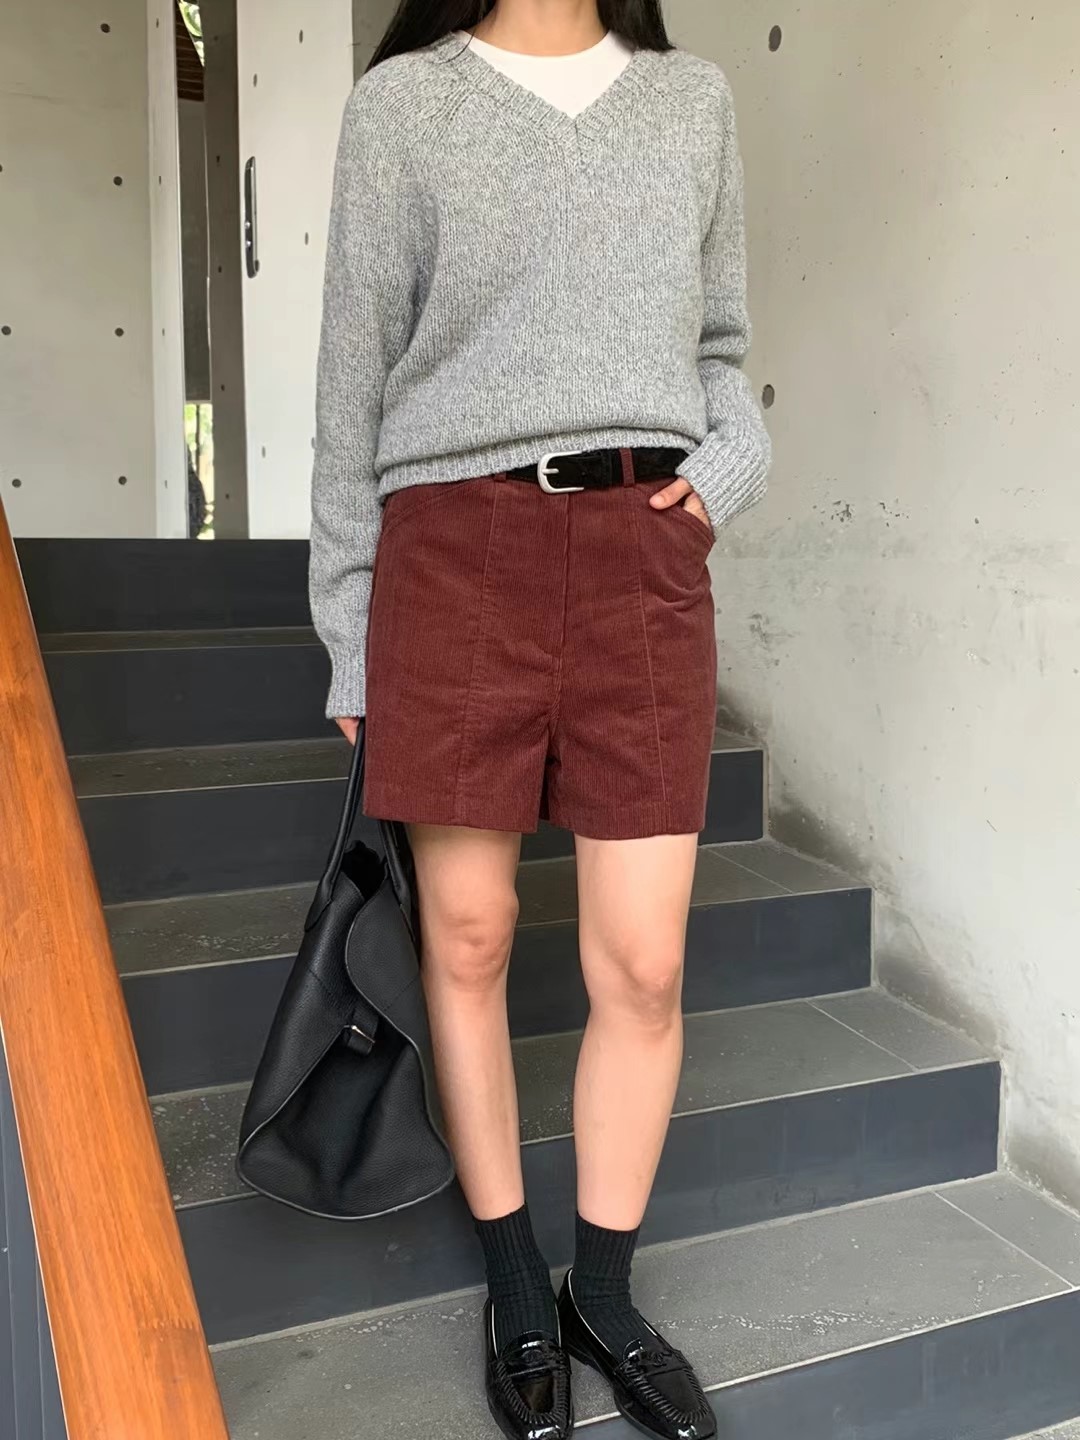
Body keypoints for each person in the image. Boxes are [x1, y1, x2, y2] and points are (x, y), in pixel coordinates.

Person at [309, 2, 771, 1436]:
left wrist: (725, 470)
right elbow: (349, 381)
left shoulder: (690, 102)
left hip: (641, 553)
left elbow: (722, 340)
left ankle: (604, 1297)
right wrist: (349, 633)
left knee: (643, 962)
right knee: (467, 937)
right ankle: (517, 1284)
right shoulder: (404, 105)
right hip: (452, 553)